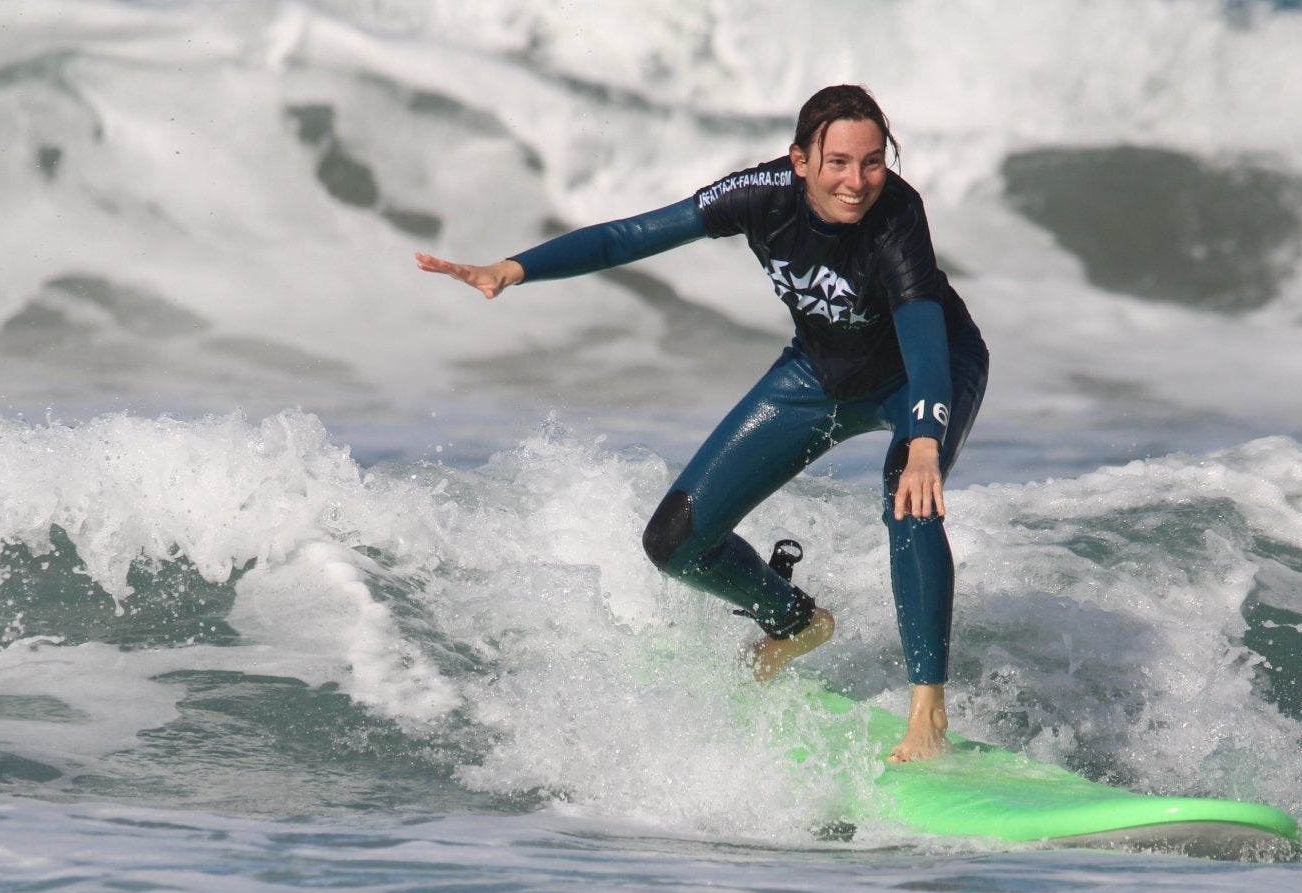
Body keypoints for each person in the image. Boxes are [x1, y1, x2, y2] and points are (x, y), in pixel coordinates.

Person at [417, 85, 988, 762]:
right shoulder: (759, 198)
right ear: (799, 160)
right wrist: (515, 268)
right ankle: (794, 621)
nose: (857, 181)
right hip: (819, 375)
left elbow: (922, 324)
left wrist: (924, 436)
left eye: (871, 163)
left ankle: (928, 714)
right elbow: (632, 236)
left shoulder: (897, 215)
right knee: (674, 540)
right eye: (837, 162)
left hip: (924, 374)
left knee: (911, 500)